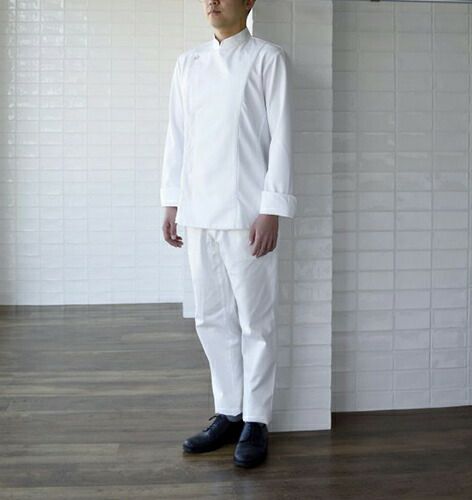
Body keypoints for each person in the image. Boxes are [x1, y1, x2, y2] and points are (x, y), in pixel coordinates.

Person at [160, 0, 296, 469]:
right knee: (211, 318)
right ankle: (229, 411)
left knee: (256, 321)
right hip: (198, 213)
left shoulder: (267, 59)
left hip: (246, 213)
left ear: (249, 1)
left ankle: (256, 419)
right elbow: (177, 137)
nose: (213, 2)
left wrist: (272, 208)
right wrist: (172, 202)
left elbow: (282, 137)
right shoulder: (188, 64)